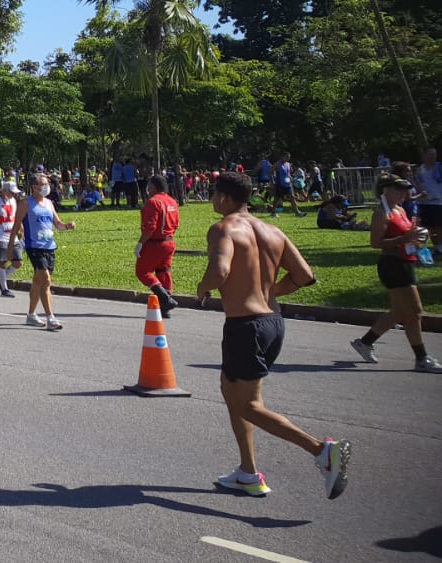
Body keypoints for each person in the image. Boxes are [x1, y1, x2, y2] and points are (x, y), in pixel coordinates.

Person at [197, 172, 352, 499]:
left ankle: (322, 451)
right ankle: (248, 472)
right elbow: (305, 275)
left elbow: (220, 271)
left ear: (224, 199)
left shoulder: (223, 229)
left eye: (214, 194)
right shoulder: (273, 231)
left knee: (250, 406)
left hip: (245, 327)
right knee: (230, 390)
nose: (212, 199)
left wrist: (203, 287)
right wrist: (268, 291)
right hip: (272, 321)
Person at [348, 176, 441, 372]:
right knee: (414, 311)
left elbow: (407, 235)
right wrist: (403, 238)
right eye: (398, 189)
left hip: (406, 262)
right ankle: (421, 357)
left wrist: (416, 238)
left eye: (404, 189)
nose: (402, 193)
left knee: (400, 312)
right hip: (393, 264)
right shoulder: (381, 213)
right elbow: (376, 243)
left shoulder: (400, 210)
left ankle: (364, 343)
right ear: (385, 190)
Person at [7, 173, 77, 331]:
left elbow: (57, 223)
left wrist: (67, 226)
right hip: (34, 246)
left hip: (49, 246)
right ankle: (51, 318)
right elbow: (16, 226)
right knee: (45, 280)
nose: (47, 186)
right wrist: (11, 247)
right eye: (44, 184)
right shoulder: (25, 204)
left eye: (47, 184)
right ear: (34, 187)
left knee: (38, 281)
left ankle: (31, 315)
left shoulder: (49, 203)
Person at [136, 173, 181, 318]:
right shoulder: (172, 201)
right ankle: (165, 308)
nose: (148, 188)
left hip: (156, 243)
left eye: (149, 185)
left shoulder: (153, 202)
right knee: (163, 271)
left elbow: (149, 228)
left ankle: (164, 298)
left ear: (153, 186)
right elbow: (176, 223)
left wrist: (140, 244)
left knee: (142, 271)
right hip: (170, 241)